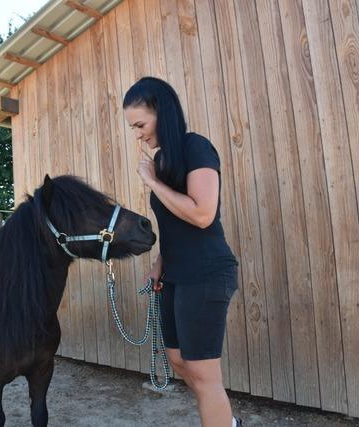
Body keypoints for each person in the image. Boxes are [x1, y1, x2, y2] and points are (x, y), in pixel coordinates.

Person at [123, 76, 242, 427]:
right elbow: (174, 226)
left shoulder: (196, 148)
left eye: (141, 124)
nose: (138, 134)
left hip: (206, 273)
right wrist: (159, 263)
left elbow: (202, 215)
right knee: (178, 361)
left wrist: (153, 183)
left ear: (163, 113)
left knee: (205, 377)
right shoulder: (162, 161)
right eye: (134, 127)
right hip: (174, 275)